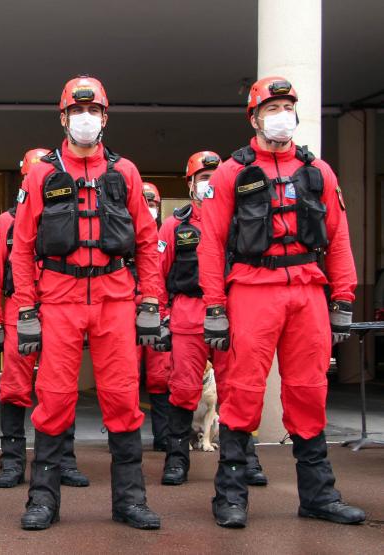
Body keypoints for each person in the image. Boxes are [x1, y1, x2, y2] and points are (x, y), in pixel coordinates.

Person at [199, 77, 365, 528]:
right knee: (242, 393)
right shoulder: (232, 173)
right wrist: (214, 306)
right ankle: (230, 497)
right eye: (272, 107)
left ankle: (318, 496)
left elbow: (338, 237)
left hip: (308, 291)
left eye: (287, 106)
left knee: (309, 392)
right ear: (254, 118)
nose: (281, 114)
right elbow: (211, 244)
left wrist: (343, 296)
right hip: (252, 290)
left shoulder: (318, 172)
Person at [10, 76, 162, 531]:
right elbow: (21, 248)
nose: (85, 119)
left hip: (116, 297)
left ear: (104, 119)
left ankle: (130, 501)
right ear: (63, 118)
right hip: (58, 299)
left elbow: (148, 241)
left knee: (122, 398)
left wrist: (150, 299)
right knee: (54, 399)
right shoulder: (41, 174)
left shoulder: (125, 172)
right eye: (78, 112)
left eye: (93, 111)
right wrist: (26, 309)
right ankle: (43, 500)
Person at [0, 147, 90, 489]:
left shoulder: (72, 216)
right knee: (14, 390)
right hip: (18, 315)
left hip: (60, 310)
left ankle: (64, 461)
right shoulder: (6, 222)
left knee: (62, 389)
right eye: (29, 177)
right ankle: (11, 463)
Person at [157, 151, 268, 487]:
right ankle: (177, 460)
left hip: (231, 316)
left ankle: (245, 458)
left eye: (213, 177)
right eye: (201, 177)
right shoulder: (174, 226)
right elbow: (157, 276)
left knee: (236, 390)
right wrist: (161, 318)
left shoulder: (240, 221)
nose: (207, 184)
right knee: (183, 390)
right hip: (188, 317)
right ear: (190, 184)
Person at [139, 182, 171, 451]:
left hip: (161, 314)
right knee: (123, 377)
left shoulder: (168, 234)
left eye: (153, 203)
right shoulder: (123, 235)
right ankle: (123, 439)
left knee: (161, 378)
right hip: (127, 313)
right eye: (144, 202)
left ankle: (164, 438)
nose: (149, 208)